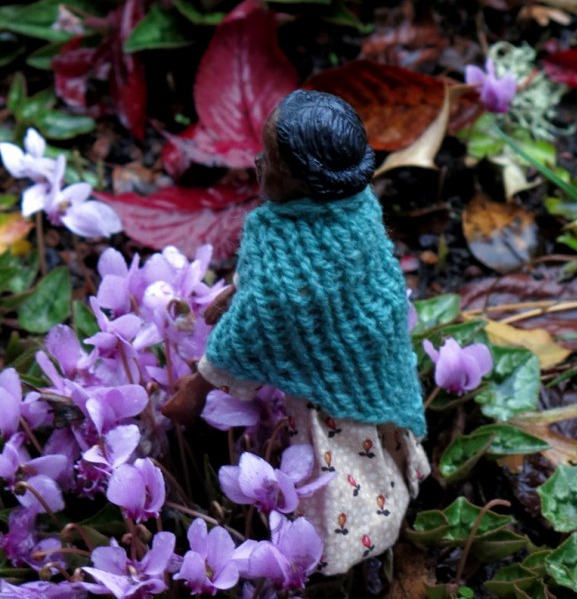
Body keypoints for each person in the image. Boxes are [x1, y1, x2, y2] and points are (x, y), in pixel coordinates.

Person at [162, 89, 430, 575]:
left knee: (342, 460)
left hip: (332, 384)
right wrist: (237, 293)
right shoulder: (354, 208)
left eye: (271, 160)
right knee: (370, 441)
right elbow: (271, 294)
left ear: (305, 178)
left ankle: (340, 551)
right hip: (367, 351)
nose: (258, 164)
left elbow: (257, 324)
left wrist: (197, 388)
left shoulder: (289, 258)